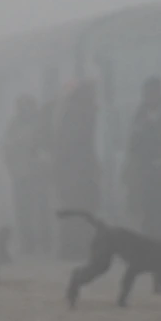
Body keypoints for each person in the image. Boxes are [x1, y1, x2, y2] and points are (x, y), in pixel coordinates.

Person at [52, 79, 101, 260]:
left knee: (75, 207)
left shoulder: (70, 113)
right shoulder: (79, 115)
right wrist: (88, 166)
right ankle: (76, 247)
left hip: (73, 170)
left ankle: (73, 246)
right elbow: (78, 145)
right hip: (77, 170)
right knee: (81, 207)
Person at [124, 77, 161, 237]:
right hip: (144, 168)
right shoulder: (140, 112)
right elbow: (133, 140)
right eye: (146, 93)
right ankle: (148, 241)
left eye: (152, 92)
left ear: (159, 92)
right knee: (146, 206)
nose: (148, 96)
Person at [1, 94, 52, 256]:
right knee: (23, 211)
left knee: (41, 209)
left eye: (27, 105)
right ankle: (27, 244)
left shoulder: (40, 124)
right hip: (20, 174)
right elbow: (6, 146)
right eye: (22, 105)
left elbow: (46, 146)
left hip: (37, 174)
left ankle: (45, 243)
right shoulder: (14, 125)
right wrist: (11, 164)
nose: (25, 109)